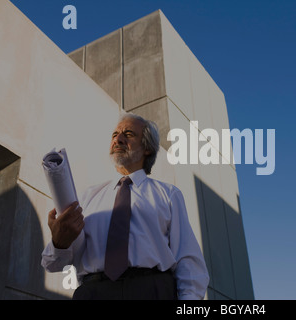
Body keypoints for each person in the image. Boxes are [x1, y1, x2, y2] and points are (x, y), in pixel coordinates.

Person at [41, 112, 209, 300]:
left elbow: (188, 261)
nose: (118, 139)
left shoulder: (168, 195)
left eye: (128, 134)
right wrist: (59, 243)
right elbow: (52, 264)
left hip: (152, 291)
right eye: (115, 135)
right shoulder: (88, 197)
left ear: (147, 148)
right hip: (93, 293)